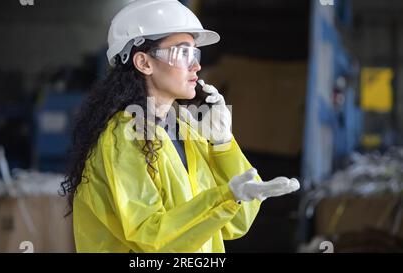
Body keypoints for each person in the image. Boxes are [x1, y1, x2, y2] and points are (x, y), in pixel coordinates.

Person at [60, 0, 300, 253]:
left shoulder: (187, 130)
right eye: (182, 53)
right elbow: (149, 235)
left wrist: (222, 145)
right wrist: (227, 197)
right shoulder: (123, 138)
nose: (196, 65)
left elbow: (234, 225)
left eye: (195, 54)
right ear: (144, 63)